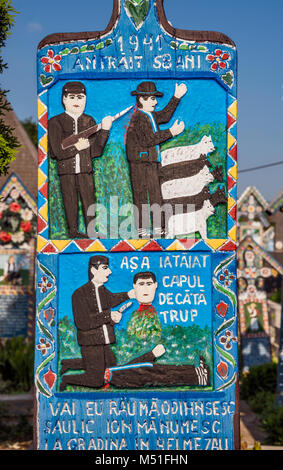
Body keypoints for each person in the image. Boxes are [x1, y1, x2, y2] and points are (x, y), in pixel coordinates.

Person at [59, 255, 135, 391]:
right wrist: (108, 316)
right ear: (94, 270)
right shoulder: (79, 294)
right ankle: (67, 379)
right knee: (97, 381)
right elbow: (83, 322)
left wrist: (128, 295)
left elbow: (111, 299)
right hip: (91, 342)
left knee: (111, 368)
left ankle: (69, 363)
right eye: (105, 268)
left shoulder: (102, 290)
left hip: (104, 341)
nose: (110, 272)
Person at [48, 81, 113, 238]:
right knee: (69, 200)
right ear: (64, 99)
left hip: (85, 169)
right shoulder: (55, 122)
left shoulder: (88, 121)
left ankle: (91, 230)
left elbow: (96, 151)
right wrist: (76, 147)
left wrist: (105, 130)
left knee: (89, 200)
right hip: (66, 171)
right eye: (72, 97)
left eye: (80, 97)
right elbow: (56, 151)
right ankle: (73, 231)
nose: (76, 101)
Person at [125, 81, 187, 237]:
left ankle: (159, 228)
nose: (156, 102)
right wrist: (171, 132)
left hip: (151, 163)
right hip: (140, 163)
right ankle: (143, 230)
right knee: (141, 196)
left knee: (155, 195)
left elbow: (165, 116)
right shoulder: (139, 117)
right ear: (141, 99)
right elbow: (148, 140)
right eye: (152, 99)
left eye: (155, 98)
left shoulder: (149, 115)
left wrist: (176, 97)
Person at [127, 271, 162, 340]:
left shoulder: (157, 315)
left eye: (149, 284)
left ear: (155, 285)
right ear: (134, 286)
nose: (145, 289)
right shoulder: (134, 316)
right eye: (141, 284)